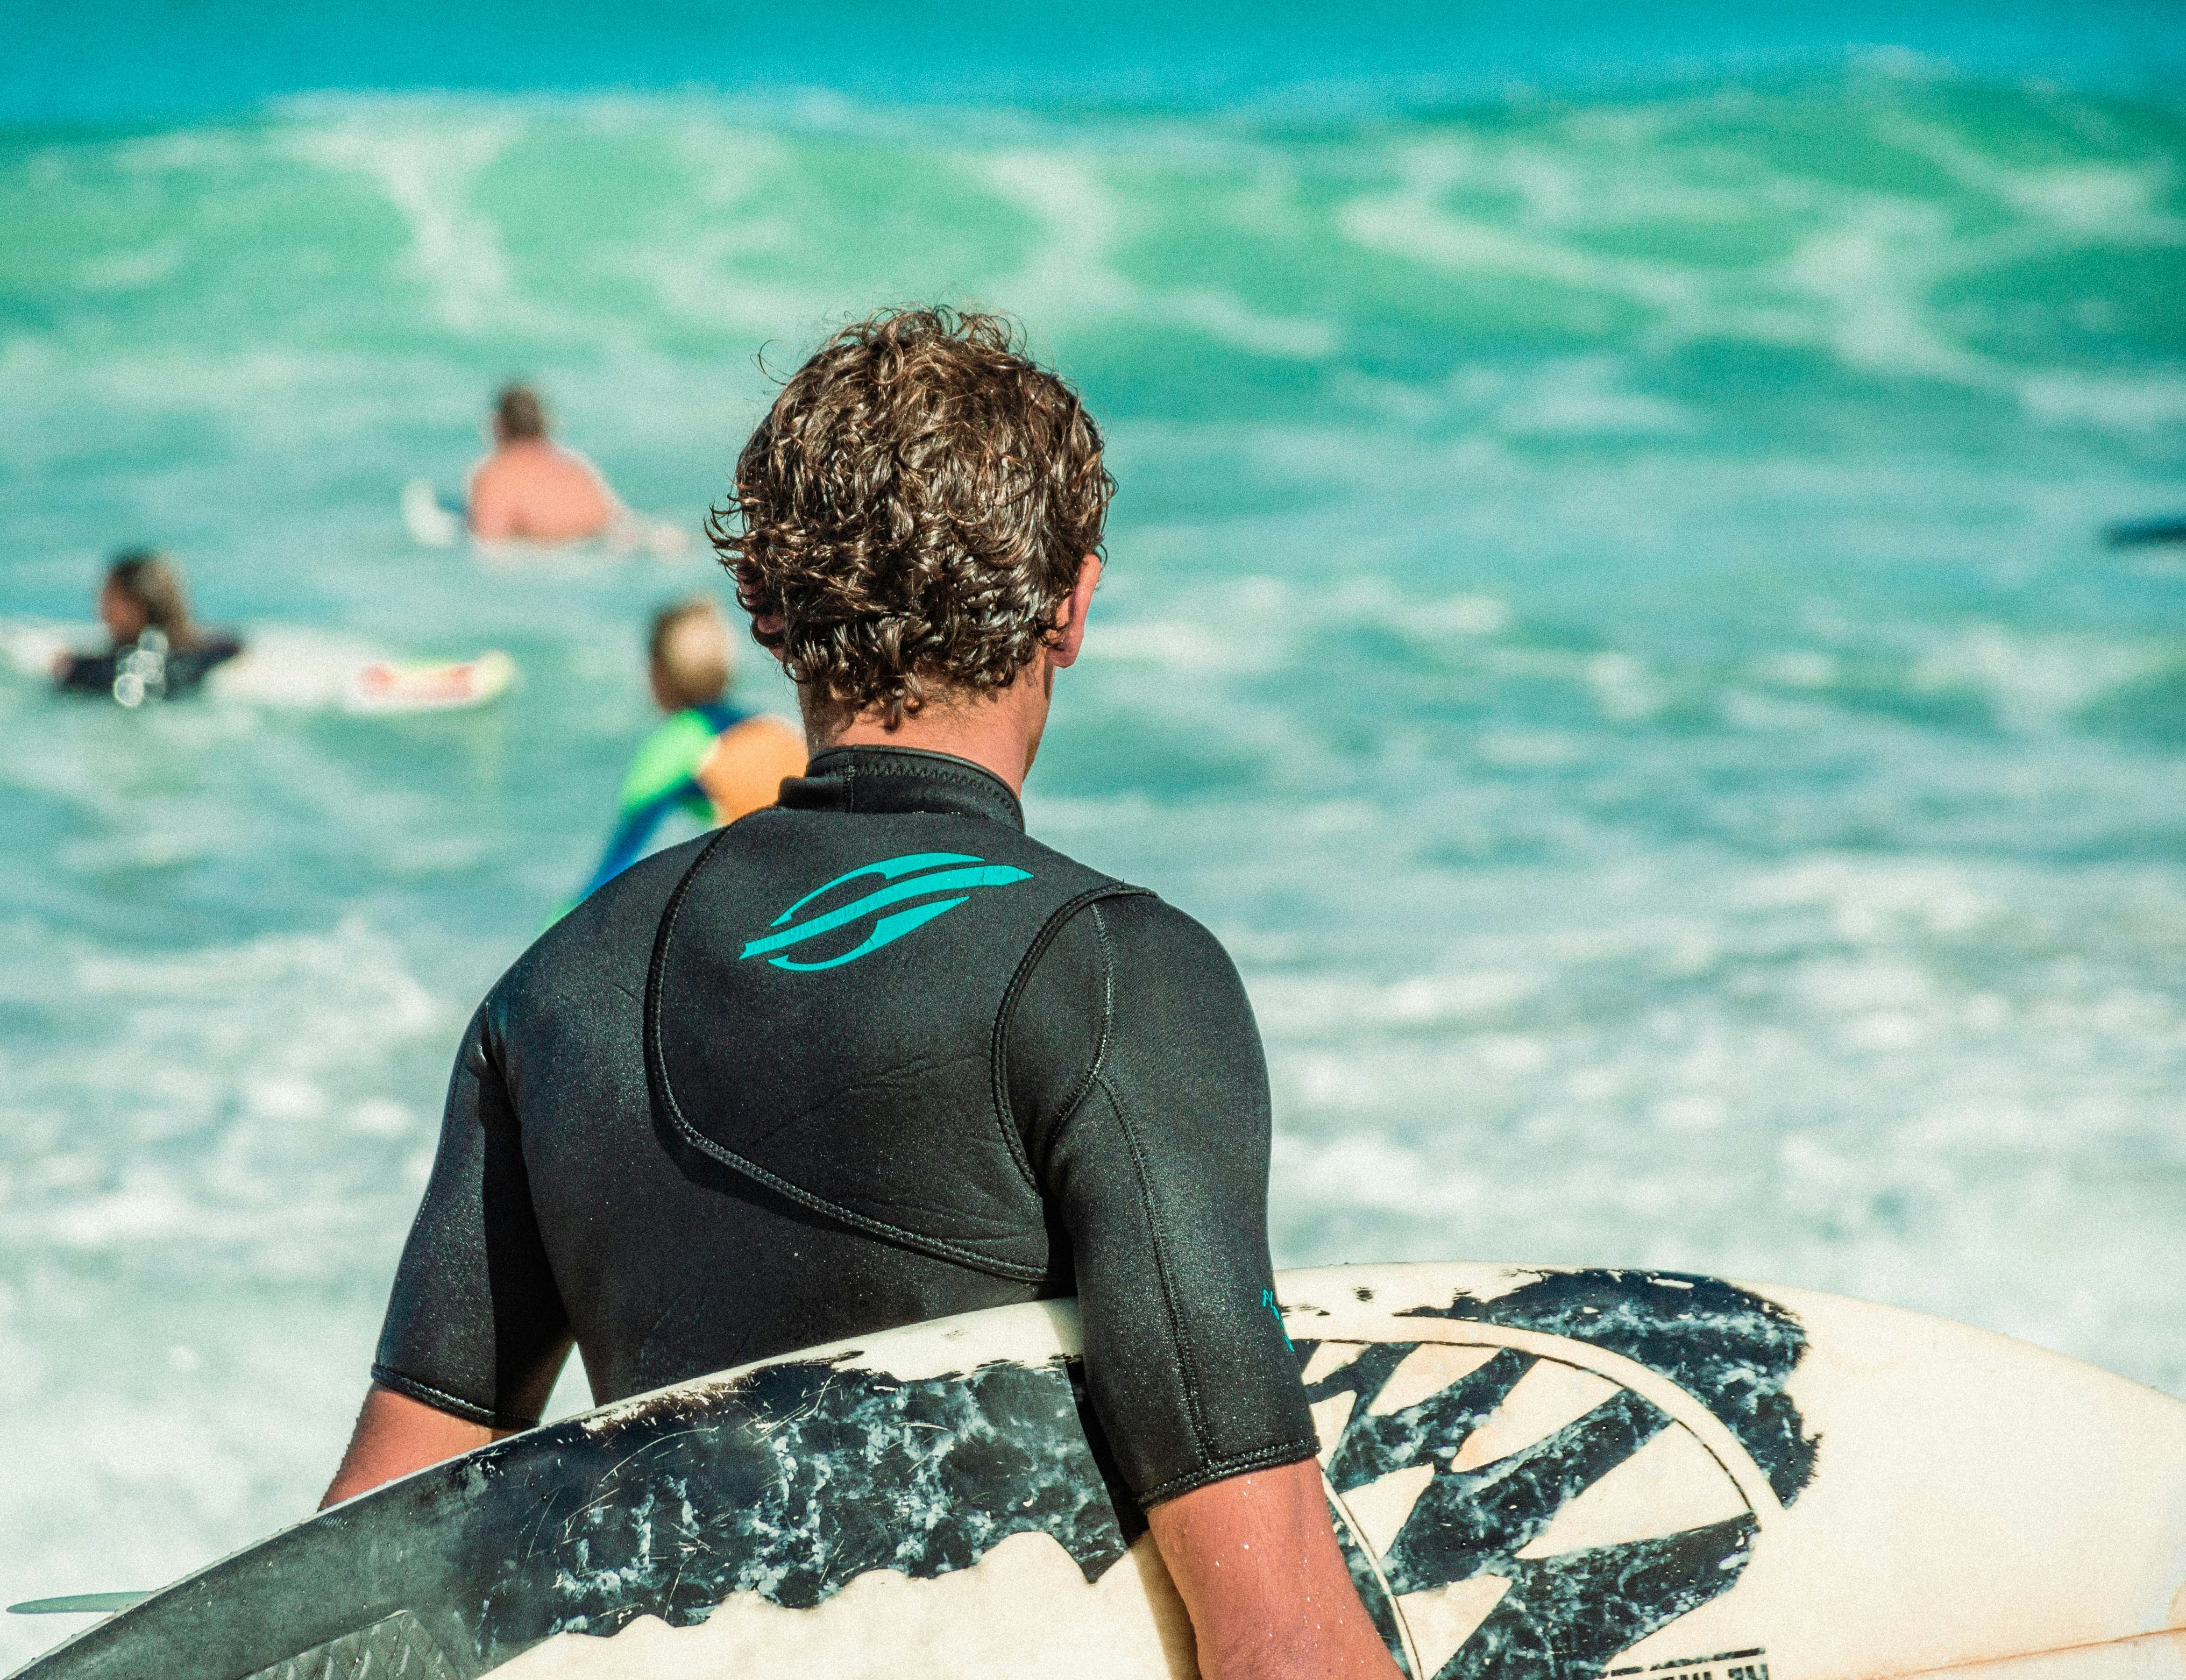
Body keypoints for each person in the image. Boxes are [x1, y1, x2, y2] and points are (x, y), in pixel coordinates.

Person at [327, 310, 1395, 1680]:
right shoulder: (1117, 973)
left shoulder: (553, 993)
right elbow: (1278, 1633)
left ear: (764, 610)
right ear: (1073, 602)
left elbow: (356, 1575)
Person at [574, 598, 808, 899]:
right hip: (800, 891)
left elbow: (613, 872)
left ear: (659, 672)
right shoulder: (776, 729)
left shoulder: (681, 742)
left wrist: (550, 936)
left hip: (752, 902)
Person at [55, 551, 242, 706]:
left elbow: (134, 680)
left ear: (138, 605)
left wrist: (74, 669)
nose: (101, 606)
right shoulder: (210, 649)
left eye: (110, 597)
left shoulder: (132, 658)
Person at [465, 383, 621, 544]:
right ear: (544, 423)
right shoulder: (576, 470)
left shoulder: (496, 475)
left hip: (543, 555)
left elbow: (489, 539)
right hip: (604, 543)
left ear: (499, 425)